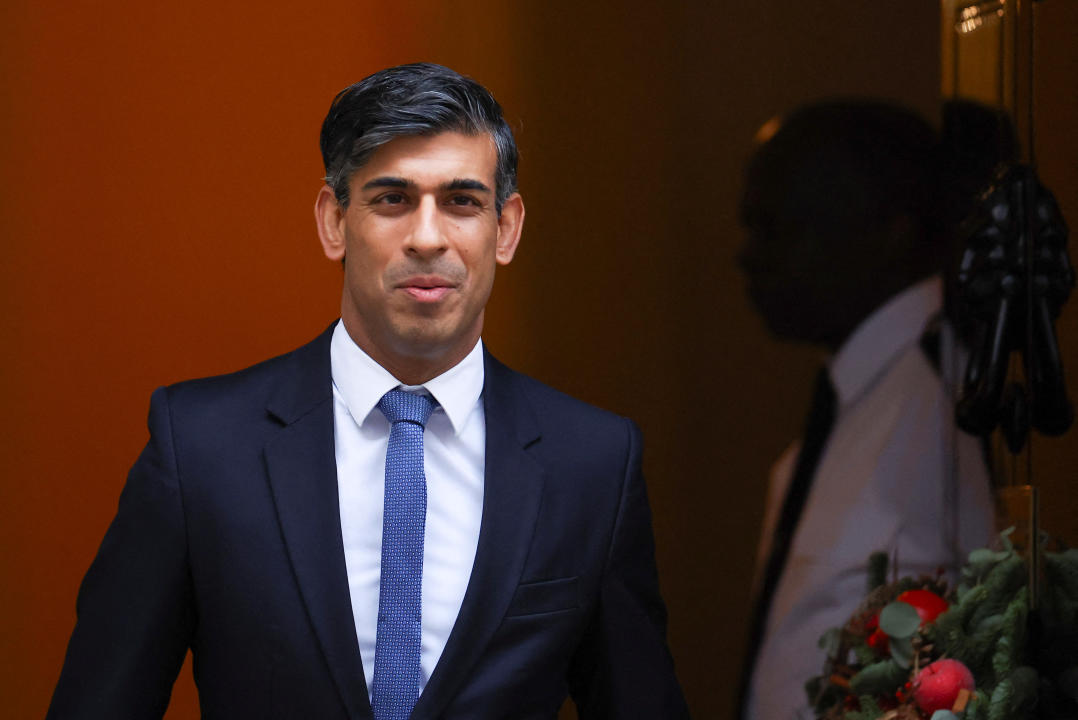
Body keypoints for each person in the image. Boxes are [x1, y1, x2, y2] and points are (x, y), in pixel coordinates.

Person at [48, 63, 689, 719]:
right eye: (392, 199)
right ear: (334, 221)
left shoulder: (593, 463)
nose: (428, 237)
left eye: (463, 201)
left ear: (508, 227)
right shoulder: (203, 447)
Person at [735, 100, 997, 719]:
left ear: (888, 230)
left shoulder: (946, 402)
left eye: (778, 226)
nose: (746, 256)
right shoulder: (859, 399)